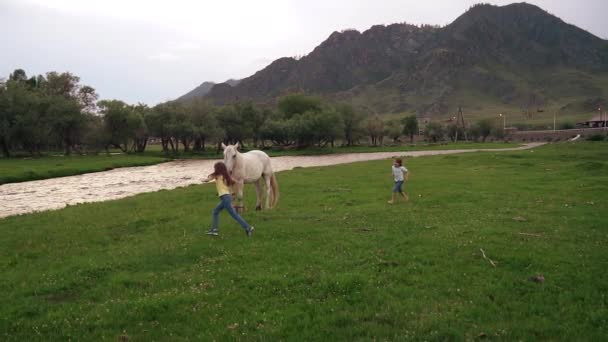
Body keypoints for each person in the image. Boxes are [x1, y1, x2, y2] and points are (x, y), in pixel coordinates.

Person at [205, 162, 254, 237]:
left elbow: (209, 178)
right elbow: (236, 183)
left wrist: (205, 180)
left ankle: (248, 228)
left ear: (217, 169)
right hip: (227, 197)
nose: (214, 169)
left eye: (215, 168)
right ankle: (214, 230)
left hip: (225, 198)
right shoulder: (226, 176)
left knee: (234, 215)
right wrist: (233, 192)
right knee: (215, 211)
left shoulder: (217, 175)